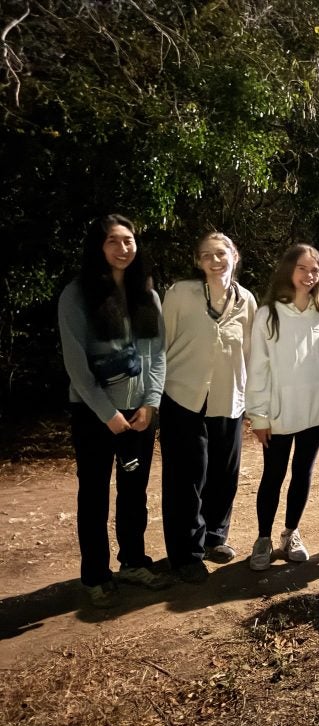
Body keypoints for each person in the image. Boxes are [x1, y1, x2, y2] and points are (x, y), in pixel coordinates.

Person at [58, 214, 172, 607]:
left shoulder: (147, 295)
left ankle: (133, 562)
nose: (124, 249)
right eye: (113, 241)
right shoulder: (77, 295)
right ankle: (94, 574)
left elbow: (158, 356)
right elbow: (76, 363)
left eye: (129, 241)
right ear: (97, 247)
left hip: (139, 412)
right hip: (95, 414)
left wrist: (151, 402)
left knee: (134, 491)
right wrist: (107, 413)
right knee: (93, 495)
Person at [159, 232, 257, 583]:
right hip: (182, 397)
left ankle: (216, 537)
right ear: (198, 262)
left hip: (229, 399)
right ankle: (185, 554)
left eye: (221, 253)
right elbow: (162, 345)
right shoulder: (180, 294)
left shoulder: (247, 300)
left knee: (223, 473)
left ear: (234, 255)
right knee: (186, 478)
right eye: (207, 255)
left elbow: (250, 353)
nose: (215, 261)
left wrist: (253, 400)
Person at [245, 244, 319, 571]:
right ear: (289, 270)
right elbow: (258, 367)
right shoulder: (269, 313)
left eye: (314, 269)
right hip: (277, 415)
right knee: (273, 475)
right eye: (302, 268)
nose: (309, 275)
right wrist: (258, 414)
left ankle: (290, 534)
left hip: (314, 414)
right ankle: (263, 539)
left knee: (303, 473)